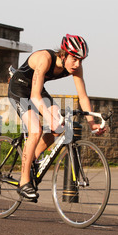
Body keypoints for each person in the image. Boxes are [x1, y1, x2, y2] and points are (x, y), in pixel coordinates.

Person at [8, 34, 106, 200]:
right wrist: (49, 116)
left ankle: (33, 158)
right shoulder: (45, 59)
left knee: (59, 127)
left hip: (35, 90)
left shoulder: (76, 68)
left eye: (81, 60)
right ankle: (23, 182)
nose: (77, 64)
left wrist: (91, 123)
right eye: (74, 59)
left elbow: (82, 97)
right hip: (19, 89)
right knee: (35, 130)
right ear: (63, 54)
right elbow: (35, 96)